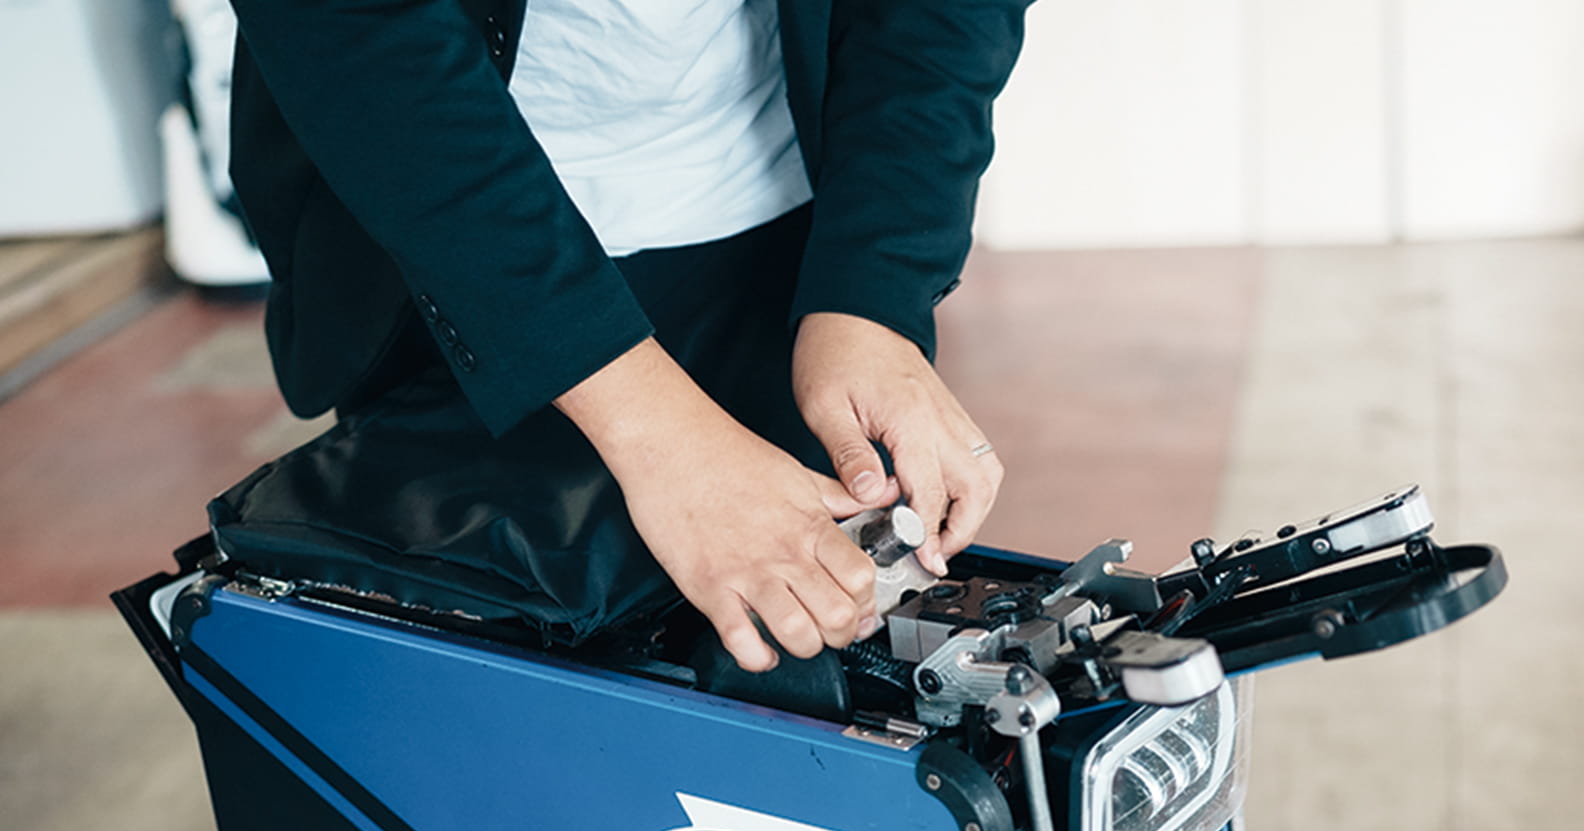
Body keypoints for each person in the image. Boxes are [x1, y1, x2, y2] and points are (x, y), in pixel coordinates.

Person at [223, 0, 1028, 667]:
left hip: (786, 217)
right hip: (460, 250)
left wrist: (874, 292)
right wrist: (654, 430)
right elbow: (360, 37)